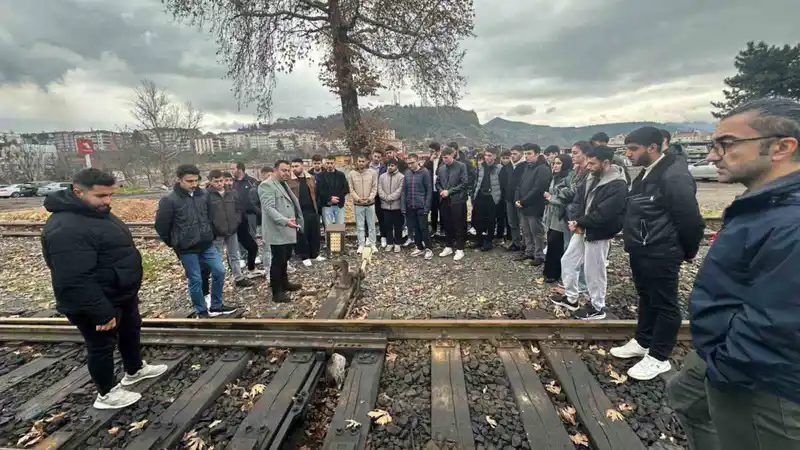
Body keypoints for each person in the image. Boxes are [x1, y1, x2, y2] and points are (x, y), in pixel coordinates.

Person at [666, 97, 800, 450]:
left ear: (782, 148)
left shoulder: (791, 220)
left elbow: (782, 325)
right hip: (727, 351)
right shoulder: (766, 206)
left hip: (760, 378)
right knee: (685, 396)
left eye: (726, 144)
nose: (712, 156)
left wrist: (726, 369)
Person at [42, 169, 168, 410]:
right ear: (78, 192)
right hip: (95, 300)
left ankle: (134, 370)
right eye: (101, 196)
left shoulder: (95, 212)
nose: (107, 201)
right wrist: (100, 312)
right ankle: (106, 393)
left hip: (118, 292)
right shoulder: (66, 227)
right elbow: (74, 277)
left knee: (130, 330)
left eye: (110, 195)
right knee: (101, 346)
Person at [610, 126, 705, 380]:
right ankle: (643, 341)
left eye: (633, 149)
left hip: (661, 250)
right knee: (646, 296)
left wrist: (688, 250)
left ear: (652, 147)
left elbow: (690, 219)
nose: (628, 154)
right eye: (627, 149)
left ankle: (659, 356)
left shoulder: (673, 175)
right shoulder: (648, 172)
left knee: (665, 303)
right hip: (642, 248)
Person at [553, 146, 627, 320]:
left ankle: (597, 307)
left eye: (592, 163)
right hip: (584, 228)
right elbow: (578, 201)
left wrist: (580, 223)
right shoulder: (591, 177)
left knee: (594, 270)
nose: (588, 166)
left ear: (606, 163)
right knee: (568, 261)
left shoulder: (618, 184)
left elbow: (605, 213)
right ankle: (571, 298)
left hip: (599, 232)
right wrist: (577, 221)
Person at [155, 164, 237, 318]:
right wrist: (175, 243)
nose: (193, 184)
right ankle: (201, 310)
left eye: (196, 180)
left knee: (220, 270)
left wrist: (210, 234)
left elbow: (210, 216)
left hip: (206, 244)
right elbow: (161, 226)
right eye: (189, 181)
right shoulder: (169, 200)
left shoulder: (203, 195)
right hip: (187, 248)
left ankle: (216, 305)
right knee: (195, 279)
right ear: (180, 180)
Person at [259, 160, 304, 303]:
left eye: (288, 170)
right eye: (283, 170)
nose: (287, 173)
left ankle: (285, 283)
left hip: (288, 228)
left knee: (285, 258)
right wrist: (285, 221)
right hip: (277, 229)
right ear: (275, 170)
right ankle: (277, 292)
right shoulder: (266, 185)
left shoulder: (283, 184)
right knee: (278, 260)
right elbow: (269, 208)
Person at [206, 170, 254, 288]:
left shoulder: (232, 193)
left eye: (221, 180)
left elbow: (238, 209)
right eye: (216, 181)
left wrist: (236, 221)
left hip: (232, 229)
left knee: (234, 255)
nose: (219, 183)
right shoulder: (206, 195)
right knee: (216, 257)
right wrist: (213, 227)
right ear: (210, 181)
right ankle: (218, 280)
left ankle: (238, 277)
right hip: (216, 232)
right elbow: (205, 214)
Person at [514, 144, 552, 265]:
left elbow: (538, 188)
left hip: (534, 206)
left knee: (537, 232)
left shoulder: (543, 169)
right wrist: (518, 200)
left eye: (529, 153)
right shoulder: (528, 167)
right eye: (525, 154)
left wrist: (524, 201)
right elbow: (520, 185)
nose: (527, 156)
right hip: (523, 205)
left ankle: (539, 255)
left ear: (537, 154)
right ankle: (529, 252)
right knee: (526, 231)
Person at [287, 158, 325, 267]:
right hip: (299, 212)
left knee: (315, 233)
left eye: (296, 166)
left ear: (302, 166)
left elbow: (315, 193)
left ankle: (315, 254)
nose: (294, 168)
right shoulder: (289, 180)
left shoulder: (310, 178)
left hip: (312, 209)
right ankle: (304, 256)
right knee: (302, 234)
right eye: (292, 166)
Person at [542, 154, 573, 283]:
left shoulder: (569, 178)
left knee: (557, 243)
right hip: (552, 214)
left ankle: (555, 273)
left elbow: (569, 198)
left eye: (559, 163)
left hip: (561, 215)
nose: (555, 166)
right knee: (551, 242)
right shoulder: (555, 177)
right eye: (554, 163)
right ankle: (550, 271)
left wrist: (551, 199)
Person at [436, 147, 469, 261]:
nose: (444, 160)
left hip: (457, 200)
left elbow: (464, 183)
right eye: (443, 158)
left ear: (452, 155)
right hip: (444, 200)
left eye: (446, 157)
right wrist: (441, 191)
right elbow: (437, 182)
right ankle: (449, 246)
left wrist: (449, 192)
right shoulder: (441, 168)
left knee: (459, 224)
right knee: (447, 224)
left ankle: (460, 248)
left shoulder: (461, 166)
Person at [402, 153, 434, 259]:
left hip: (421, 205)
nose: (410, 165)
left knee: (423, 228)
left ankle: (429, 248)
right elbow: (404, 190)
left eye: (412, 163)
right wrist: (404, 205)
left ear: (418, 161)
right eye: (408, 163)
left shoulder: (425, 172)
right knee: (415, 228)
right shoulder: (407, 173)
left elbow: (429, 190)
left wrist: (427, 206)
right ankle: (419, 247)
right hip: (410, 205)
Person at [471, 147, 503, 251]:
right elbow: (476, 181)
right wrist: (474, 194)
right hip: (480, 195)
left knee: (491, 220)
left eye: (489, 155)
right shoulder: (480, 167)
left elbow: (502, 184)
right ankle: (479, 240)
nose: (487, 157)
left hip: (492, 197)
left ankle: (489, 241)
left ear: (494, 156)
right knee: (478, 219)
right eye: (486, 155)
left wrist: (499, 196)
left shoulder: (499, 168)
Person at [230, 162, 261, 265]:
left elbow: (258, 197)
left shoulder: (251, 181)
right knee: (240, 236)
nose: (231, 170)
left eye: (233, 168)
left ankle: (255, 255)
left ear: (240, 169)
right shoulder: (232, 183)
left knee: (252, 235)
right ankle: (243, 257)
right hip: (237, 214)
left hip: (250, 213)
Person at [348, 154, 379, 254]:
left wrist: (370, 198)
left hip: (370, 204)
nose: (361, 163)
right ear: (357, 162)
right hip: (358, 204)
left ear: (366, 162)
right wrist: (358, 199)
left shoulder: (372, 173)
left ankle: (373, 244)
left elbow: (374, 187)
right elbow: (351, 189)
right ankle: (361, 244)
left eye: (363, 161)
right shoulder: (351, 174)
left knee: (371, 225)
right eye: (359, 161)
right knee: (360, 226)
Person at [502, 145, 528, 251]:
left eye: (515, 154)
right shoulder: (508, 166)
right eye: (511, 154)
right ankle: (516, 242)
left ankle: (526, 245)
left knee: (524, 224)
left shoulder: (526, 166)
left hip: (521, 199)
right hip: (509, 197)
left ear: (521, 153)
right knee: (512, 222)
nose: (512, 156)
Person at [377, 159, 405, 252]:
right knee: (387, 225)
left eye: (392, 165)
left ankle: (397, 243)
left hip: (397, 206)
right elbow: (379, 189)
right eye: (389, 165)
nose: (390, 167)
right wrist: (386, 198)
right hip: (385, 206)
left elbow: (400, 190)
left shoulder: (401, 177)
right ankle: (389, 243)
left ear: (396, 166)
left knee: (398, 226)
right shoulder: (382, 177)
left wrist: (390, 198)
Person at [316, 156, 349, 226]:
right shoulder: (320, 176)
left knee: (340, 226)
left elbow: (345, 189)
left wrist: (337, 199)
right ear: (325, 164)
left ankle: (339, 234)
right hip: (327, 205)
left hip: (339, 205)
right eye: (328, 163)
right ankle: (328, 235)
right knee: (328, 227)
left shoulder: (341, 175)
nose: (329, 165)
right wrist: (330, 199)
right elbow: (320, 190)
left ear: (335, 163)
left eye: (331, 163)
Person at [423, 142, 443, 236]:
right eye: (430, 151)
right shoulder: (429, 160)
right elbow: (423, 169)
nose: (431, 153)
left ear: (438, 151)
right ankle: (434, 229)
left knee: (443, 211)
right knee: (433, 211)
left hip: (441, 189)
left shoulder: (443, 159)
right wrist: (430, 160)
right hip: (432, 190)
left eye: (433, 151)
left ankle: (443, 229)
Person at [369, 149, 388, 247]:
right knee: (368, 218)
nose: (376, 158)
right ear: (372, 155)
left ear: (381, 158)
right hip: (368, 196)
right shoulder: (366, 167)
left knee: (382, 218)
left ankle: (383, 237)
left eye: (378, 157)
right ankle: (368, 237)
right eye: (375, 156)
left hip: (380, 197)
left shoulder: (384, 168)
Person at [496, 149, 512, 243]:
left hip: (508, 197)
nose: (505, 160)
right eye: (503, 158)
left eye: (507, 158)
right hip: (500, 197)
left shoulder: (512, 169)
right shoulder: (500, 169)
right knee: (500, 218)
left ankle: (509, 238)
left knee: (509, 219)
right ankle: (499, 236)